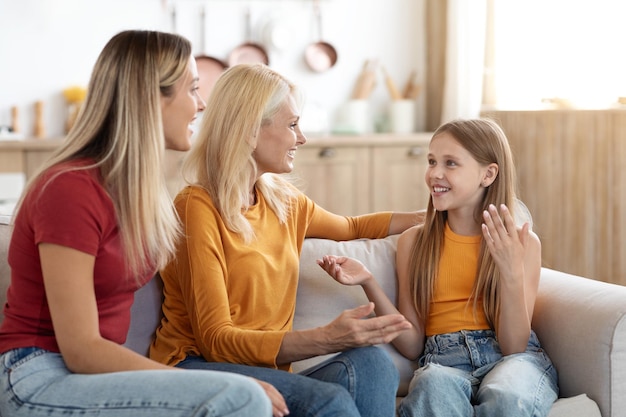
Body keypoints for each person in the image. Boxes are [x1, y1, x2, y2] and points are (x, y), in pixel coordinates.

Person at [0, 30, 278, 417]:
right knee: (239, 397)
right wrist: (213, 382)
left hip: (91, 377)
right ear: (152, 98)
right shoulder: (70, 189)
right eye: (192, 89)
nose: (200, 105)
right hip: (37, 373)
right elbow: (80, 349)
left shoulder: (137, 194)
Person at [149, 63, 423, 417]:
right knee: (329, 401)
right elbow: (216, 340)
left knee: (374, 364)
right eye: (292, 125)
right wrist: (327, 337)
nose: (302, 138)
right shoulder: (196, 209)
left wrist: (434, 215)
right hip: (196, 367)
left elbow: (352, 227)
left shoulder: (284, 202)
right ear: (249, 130)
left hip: (265, 371)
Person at [317, 118, 559, 417]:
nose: (435, 174)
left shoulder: (522, 243)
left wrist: (510, 272)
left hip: (510, 361)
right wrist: (368, 282)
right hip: (442, 361)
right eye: (431, 161)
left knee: (508, 397)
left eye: (451, 163)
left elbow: (513, 346)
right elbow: (412, 345)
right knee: (432, 387)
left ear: (488, 174)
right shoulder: (414, 242)